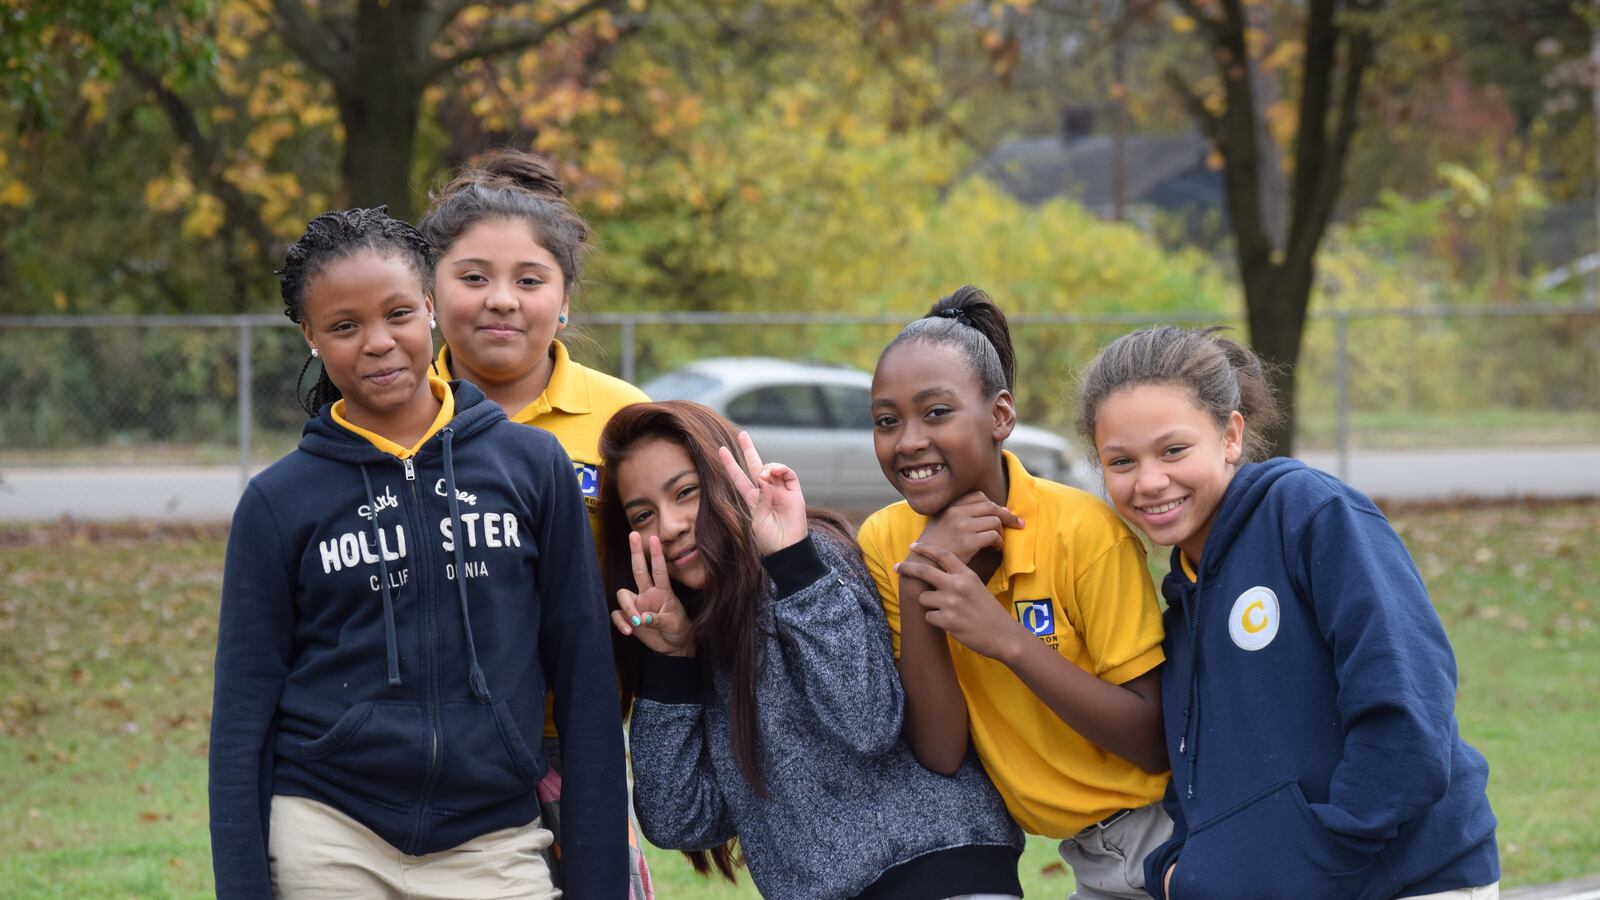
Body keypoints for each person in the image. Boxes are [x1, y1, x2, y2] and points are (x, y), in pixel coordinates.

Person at [208, 207, 627, 899]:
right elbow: (241, 720)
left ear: (429, 308)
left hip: (493, 840)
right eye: (344, 326)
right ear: (310, 337)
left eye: (398, 313)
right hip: (328, 835)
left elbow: (583, 683)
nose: (377, 343)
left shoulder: (532, 466)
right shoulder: (279, 502)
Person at [1077, 325, 1500, 900]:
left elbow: (1408, 713)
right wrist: (1177, 869)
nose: (1150, 482)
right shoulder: (1181, 603)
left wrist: (1325, 857)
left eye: (1174, 450)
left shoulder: (1309, 513)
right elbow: (1192, 784)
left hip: (1409, 881)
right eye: (1121, 461)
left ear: (1230, 435)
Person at [601, 400, 1025, 900]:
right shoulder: (702, 628)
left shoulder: (808, 558)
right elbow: (679, 820)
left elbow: (869, 725)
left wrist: (795, 566)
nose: (668, 526)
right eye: (644, 514)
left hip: (939, 871)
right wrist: (672, 664)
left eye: (686, 493)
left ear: (729, 478)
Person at [856, 286, 1172, 900]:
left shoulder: (1086, 533)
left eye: (936, 412)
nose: (909, 441)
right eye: (886, 421)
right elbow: (942, 751)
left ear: (1000, 416)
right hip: (1089, 854)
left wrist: (1008, 642)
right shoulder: (888, 537)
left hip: (1170, 832)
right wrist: (926, 572)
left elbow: (1151, 741)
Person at [417, 148, 653, 896]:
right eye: (473, 276)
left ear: (565, 296)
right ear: (428, 290)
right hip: (430, 742)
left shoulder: (626, 419)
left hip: (576, 741)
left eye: (528, 280)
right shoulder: (393, 414)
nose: (501, 300)